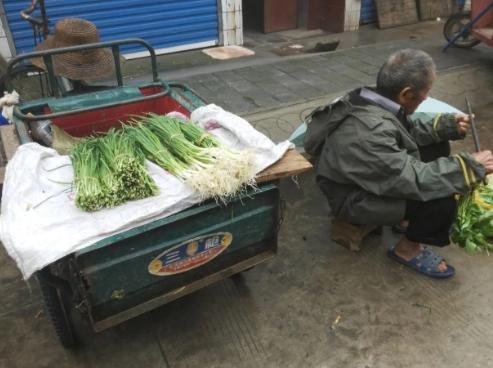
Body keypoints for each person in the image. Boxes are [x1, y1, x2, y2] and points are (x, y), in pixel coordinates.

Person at [304, 49, 493, 278]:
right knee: (442, 193)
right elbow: (416, 181)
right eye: (425, 94)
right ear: (406, 94)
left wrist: (445, 127)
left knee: (438, 148)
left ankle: (404, 218)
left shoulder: (372, 98)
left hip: (370, 176)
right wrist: (469, 167)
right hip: (352, 198)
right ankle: (407, 249)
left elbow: (404, 132)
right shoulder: (368, 132)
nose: (426, 98)